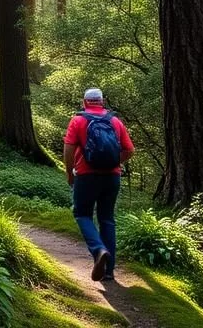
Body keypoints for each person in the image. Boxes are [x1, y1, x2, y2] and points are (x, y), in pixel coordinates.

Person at [63, 87, 134, 282]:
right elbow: (129, 150)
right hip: (112, 177)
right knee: (107, 219)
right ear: (102, 101)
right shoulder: (115, 121)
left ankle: (98, 250)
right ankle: (109, 271)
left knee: (82, 213)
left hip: (86, 176)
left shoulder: (78, 120)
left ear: (84, 102)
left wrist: (70, 172)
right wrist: (113, 162)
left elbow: (69, 149)